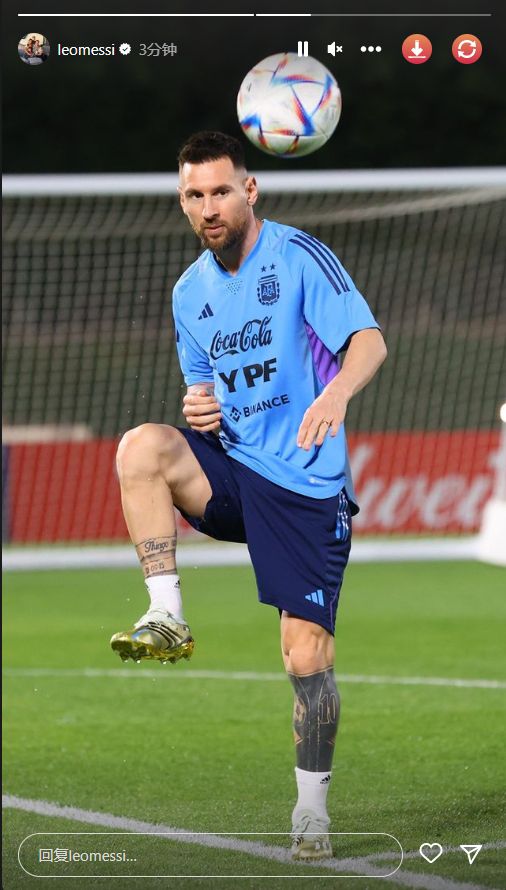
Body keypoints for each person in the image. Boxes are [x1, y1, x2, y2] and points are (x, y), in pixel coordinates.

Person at [111, 131, 387, 860]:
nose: (209, 207)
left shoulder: (297, 257)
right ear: (183, 202)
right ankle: (166, 615)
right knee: (142, 445)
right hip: (234, 474)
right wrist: (197, 410)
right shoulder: (188, 292)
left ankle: (310, 813)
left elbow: (369, 342)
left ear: (250, 190)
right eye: (194, 195)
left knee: (304, 660)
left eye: (221, 191)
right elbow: (203, 392)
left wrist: (335, 394)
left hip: (303, 483)